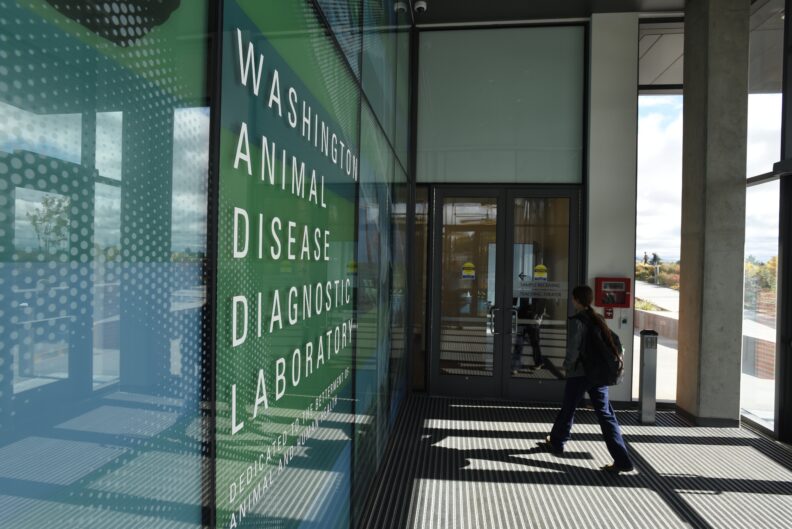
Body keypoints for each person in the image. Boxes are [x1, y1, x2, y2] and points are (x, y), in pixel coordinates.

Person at [539, 285, 634, 473]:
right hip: (598, 375)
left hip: (581, 373)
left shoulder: (578, 321)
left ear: (576, 299)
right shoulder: (598, 318)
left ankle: (557, 442)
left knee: (569, 407)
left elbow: (574, 349)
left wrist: (566, 366)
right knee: (606, 416)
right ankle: (622, 460)